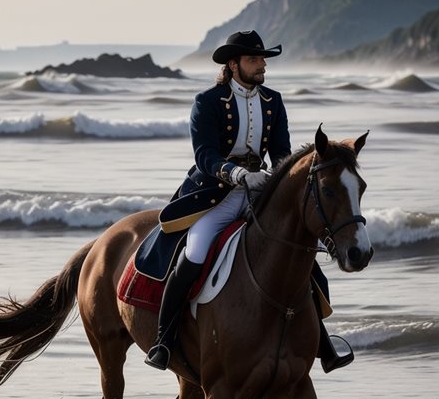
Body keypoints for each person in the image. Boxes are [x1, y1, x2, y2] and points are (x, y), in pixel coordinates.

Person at [144, 29, 353, 374]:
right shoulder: (208, 101)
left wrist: (279, 181)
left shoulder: (273, 101)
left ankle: (324, 345)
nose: (262, 66)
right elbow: (205, 156)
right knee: (195, 251)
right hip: (215, 194)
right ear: (233, 63)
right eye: (254, 60)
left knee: (298, 250)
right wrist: (238, 175)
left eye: (263, 60)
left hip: (261, 192)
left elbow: (282, 154)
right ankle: (164, 342)